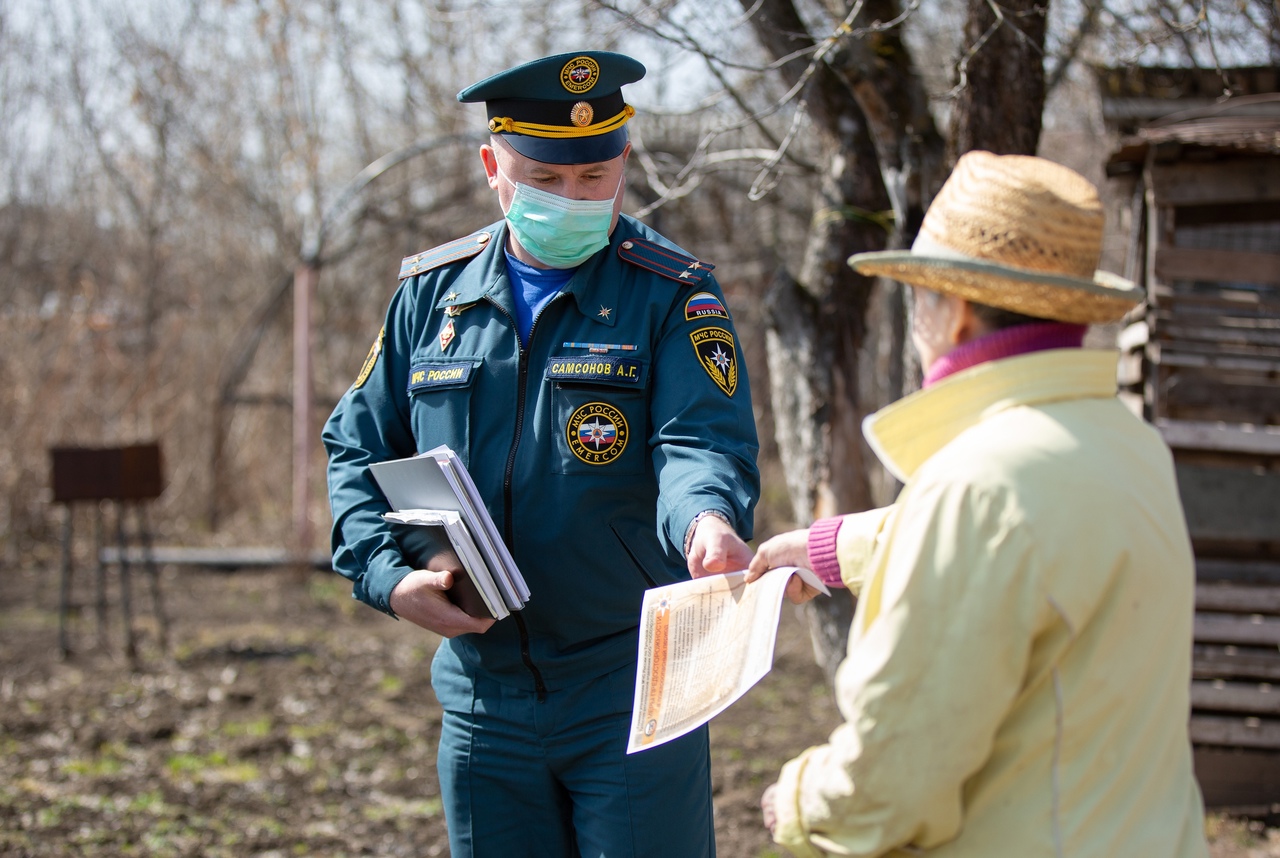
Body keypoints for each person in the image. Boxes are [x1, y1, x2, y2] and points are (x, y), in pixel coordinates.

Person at [322, 50, 759, 858]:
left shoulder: (673, 293)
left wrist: (706, 519)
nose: (573, 199)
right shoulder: (430, 296)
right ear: (493, 166)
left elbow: (697, 439)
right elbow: (356, 442)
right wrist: (387, 578)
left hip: (633, 687)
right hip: (482, 699)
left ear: (623, 161)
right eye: (545, 181)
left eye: (595, 178)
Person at [747, 151, 1208, 857]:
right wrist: (827, 549)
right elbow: (1025, 539)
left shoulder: (977, 485)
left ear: (956, 312)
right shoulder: (1127, 445)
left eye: (920, 297)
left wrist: (802, 802)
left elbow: (894, 776)